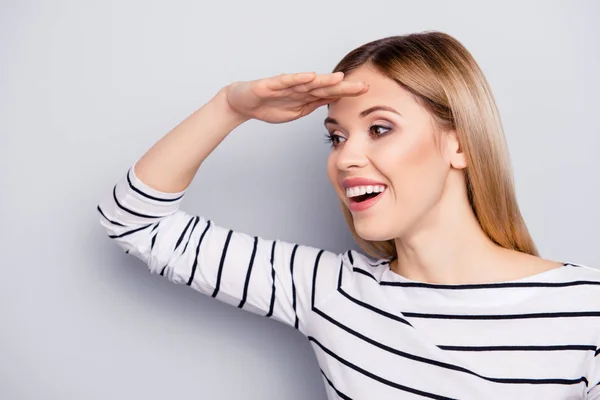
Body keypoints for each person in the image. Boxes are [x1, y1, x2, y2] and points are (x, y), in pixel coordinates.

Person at [97, 31, 600, 399]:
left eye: (379, 129)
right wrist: (230, 106)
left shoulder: (587, 311)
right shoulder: (329, 290)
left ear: (460, 144)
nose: (345, 158)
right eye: (335, 137)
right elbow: (134, 221)